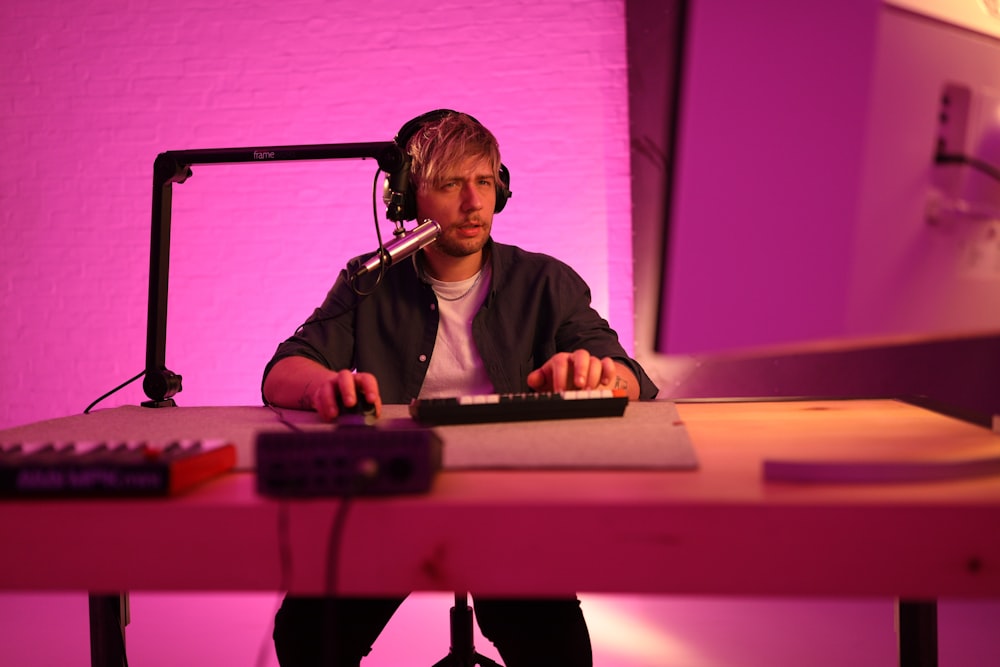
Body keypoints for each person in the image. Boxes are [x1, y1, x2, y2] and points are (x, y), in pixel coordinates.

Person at [262, 109, 659, 667]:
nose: (474, 204)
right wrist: (323, 385)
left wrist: (598, 377)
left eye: (485, 182)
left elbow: (629, 376)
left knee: (558, 653)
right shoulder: (368, 279)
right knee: (307, 636)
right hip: (395, 497)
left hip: (507, 501)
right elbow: (285, 369)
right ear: (406, 200)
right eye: (451, 185)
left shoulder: (546, 281)